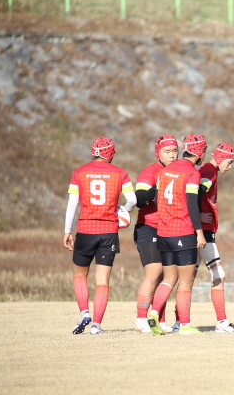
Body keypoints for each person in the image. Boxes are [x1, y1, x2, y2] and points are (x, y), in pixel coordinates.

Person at [64, 137, 137, 335]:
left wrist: (67, 231)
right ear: (111, 153)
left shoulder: (79, 172)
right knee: (102, 281)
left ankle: (84, 312)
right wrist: (124, 211)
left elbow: (72, 205)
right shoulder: (120, 173)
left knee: (80, 274)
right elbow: (132, 199)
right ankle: (96, 325)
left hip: (86, 230)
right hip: (109, 232)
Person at [147, 134, 207, 336]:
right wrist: (199, 233)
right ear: (199, 152)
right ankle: (185, 325)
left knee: (169, 278)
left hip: (164, 232)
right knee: (186, 282)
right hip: (183, 232)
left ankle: (154, 313)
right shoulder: (192, 173)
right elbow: (192, 204)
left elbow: (158, 200)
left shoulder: (165, 171)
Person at [190, 142, 234, 333]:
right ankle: (222, 322)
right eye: (229, 162)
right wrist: (198, 216)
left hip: (200, 230)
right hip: (203, 231)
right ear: (221, 159)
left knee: (188, 276)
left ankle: (180, 322)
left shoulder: (209, 170)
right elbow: (195, 192)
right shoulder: (209, 171)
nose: (229, 167)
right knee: (218, 274)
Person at [133, 135, 178, 333]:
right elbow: (140, 199)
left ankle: (159, 319)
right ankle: (141, 318)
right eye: (167, 152)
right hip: (148, 227)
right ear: (158, 153)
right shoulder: (150, 172)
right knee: (154, 273)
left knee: (166, 277)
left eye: (175, 151)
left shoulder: (178, 171)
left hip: (169, 229)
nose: (172, 155)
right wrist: (158, 186)